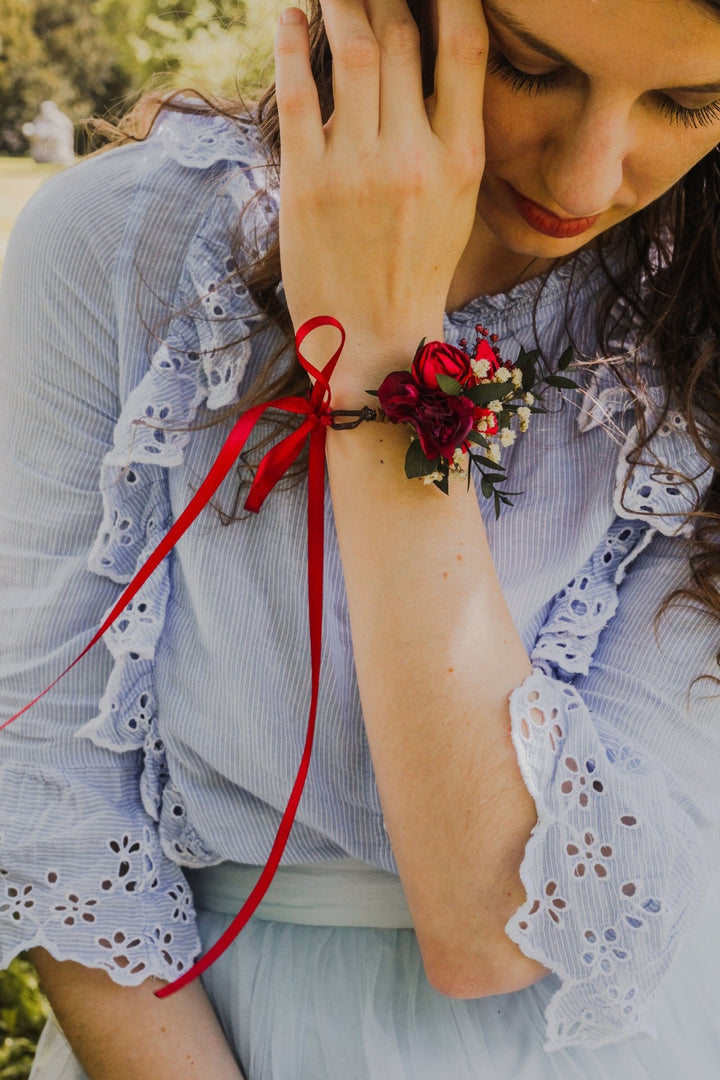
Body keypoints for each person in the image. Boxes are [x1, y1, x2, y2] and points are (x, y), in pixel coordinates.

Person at [1, 0, 719, 1076]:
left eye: (689, 102)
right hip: (185, 1028)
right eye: (530, 68)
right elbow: (47, 777)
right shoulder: (123, 244)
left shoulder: (696, 338)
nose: (584, 177)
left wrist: (386, 359)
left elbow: (503, 922)